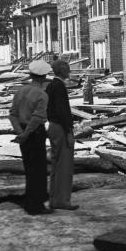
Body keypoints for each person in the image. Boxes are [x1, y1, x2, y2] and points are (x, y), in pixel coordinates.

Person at [8, 60, 52, 215]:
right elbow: (37, 117)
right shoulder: (42, 94)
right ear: (44, 77)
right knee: (38, 170)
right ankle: (35, 206)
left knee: (29, 168)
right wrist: (26, 135)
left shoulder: (20, 91)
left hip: (23, 133)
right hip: (35, 134)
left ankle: (30, 202)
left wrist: (20, 133)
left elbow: (12, 114)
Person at [47, 60, 78, 211]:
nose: (69, 71)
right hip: (60, 128)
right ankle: (63, 200)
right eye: (67, 69)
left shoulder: (51, 86)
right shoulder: (59, 87)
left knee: (56, 164)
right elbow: (62, 112)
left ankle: (54, 198)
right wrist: (68, 132)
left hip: (52, 126)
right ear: (62, 71)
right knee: (65, 165)